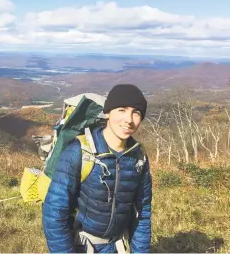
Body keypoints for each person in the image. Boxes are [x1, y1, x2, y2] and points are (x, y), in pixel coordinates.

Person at [42, 84, 152, 253]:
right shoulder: (79, 151)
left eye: (136, 112)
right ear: (107, 112)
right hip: (81, 247)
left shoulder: (138, 158)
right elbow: (54, 212)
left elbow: (142, 214)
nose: (129, 120)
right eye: (121, 110)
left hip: (117, 247)